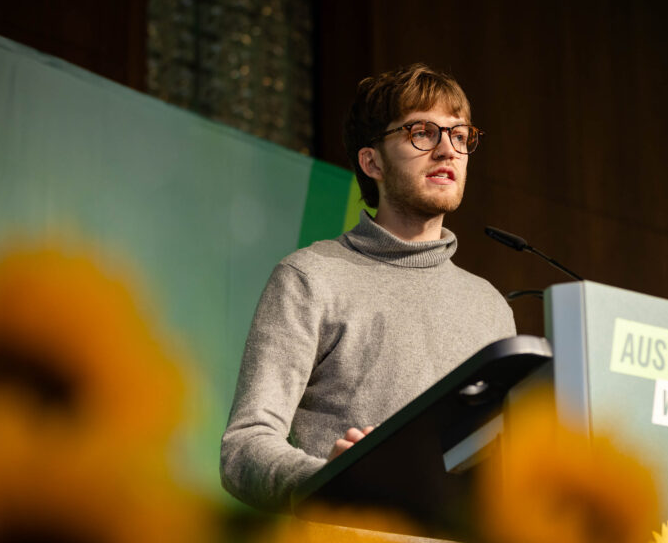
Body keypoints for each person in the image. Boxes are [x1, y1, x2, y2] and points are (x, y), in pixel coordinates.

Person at [220, 63, 516, 511]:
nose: (447, 150)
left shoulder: (490, 306)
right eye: (422, 132)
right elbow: (244, 445)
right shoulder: (311, 277)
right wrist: (330, 481)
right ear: (371, 161)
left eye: (459, 135)